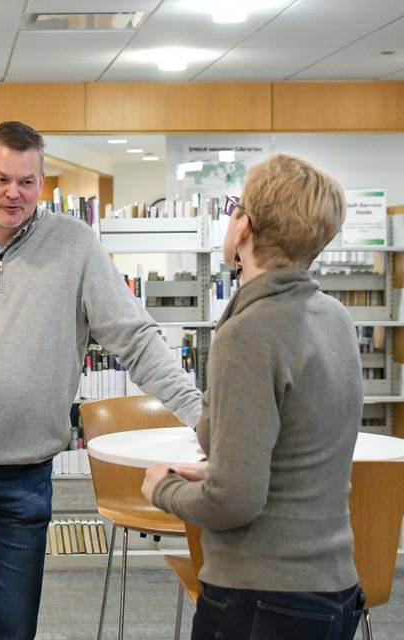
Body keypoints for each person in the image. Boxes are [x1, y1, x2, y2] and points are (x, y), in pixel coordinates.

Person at [0, 120, 201, 639]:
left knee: (11, 626)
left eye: (27, 182)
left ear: (42, 182)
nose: (14, 193)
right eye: (1, 179)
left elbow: (136, 339)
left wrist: (200, 412)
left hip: (24, 475)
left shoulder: (75, 246)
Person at [142, 153, 364, 640]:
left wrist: (161, 488)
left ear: (245, 227)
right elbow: (296, 450)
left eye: (234, 206)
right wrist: (224, 467)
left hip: (262, 595)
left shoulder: (250, 333)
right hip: (333, 590)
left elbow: (233, 504)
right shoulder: (334, 317)